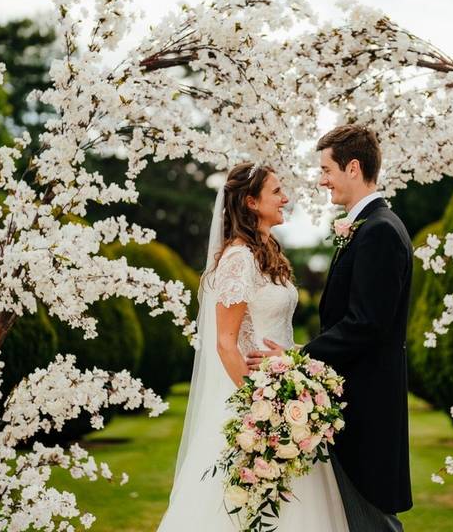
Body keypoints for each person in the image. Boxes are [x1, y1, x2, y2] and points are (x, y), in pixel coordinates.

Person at [157, 162, 349, 532]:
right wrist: (261, 408)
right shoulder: (237, 259)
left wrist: (292, 388)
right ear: (250, 202)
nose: (286, 198)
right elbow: (226, 344)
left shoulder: (268, 253)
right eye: (276, 192)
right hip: (256, 405)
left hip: (287, 398)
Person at [248, 125, 413, 531]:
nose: (322, 181)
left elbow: (365, 324)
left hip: (367, 407)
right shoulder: (372, 227)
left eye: (326, 170)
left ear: (352, 167)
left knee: (372, 519)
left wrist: (296, 357)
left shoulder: (378, 232)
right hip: (354, 402)